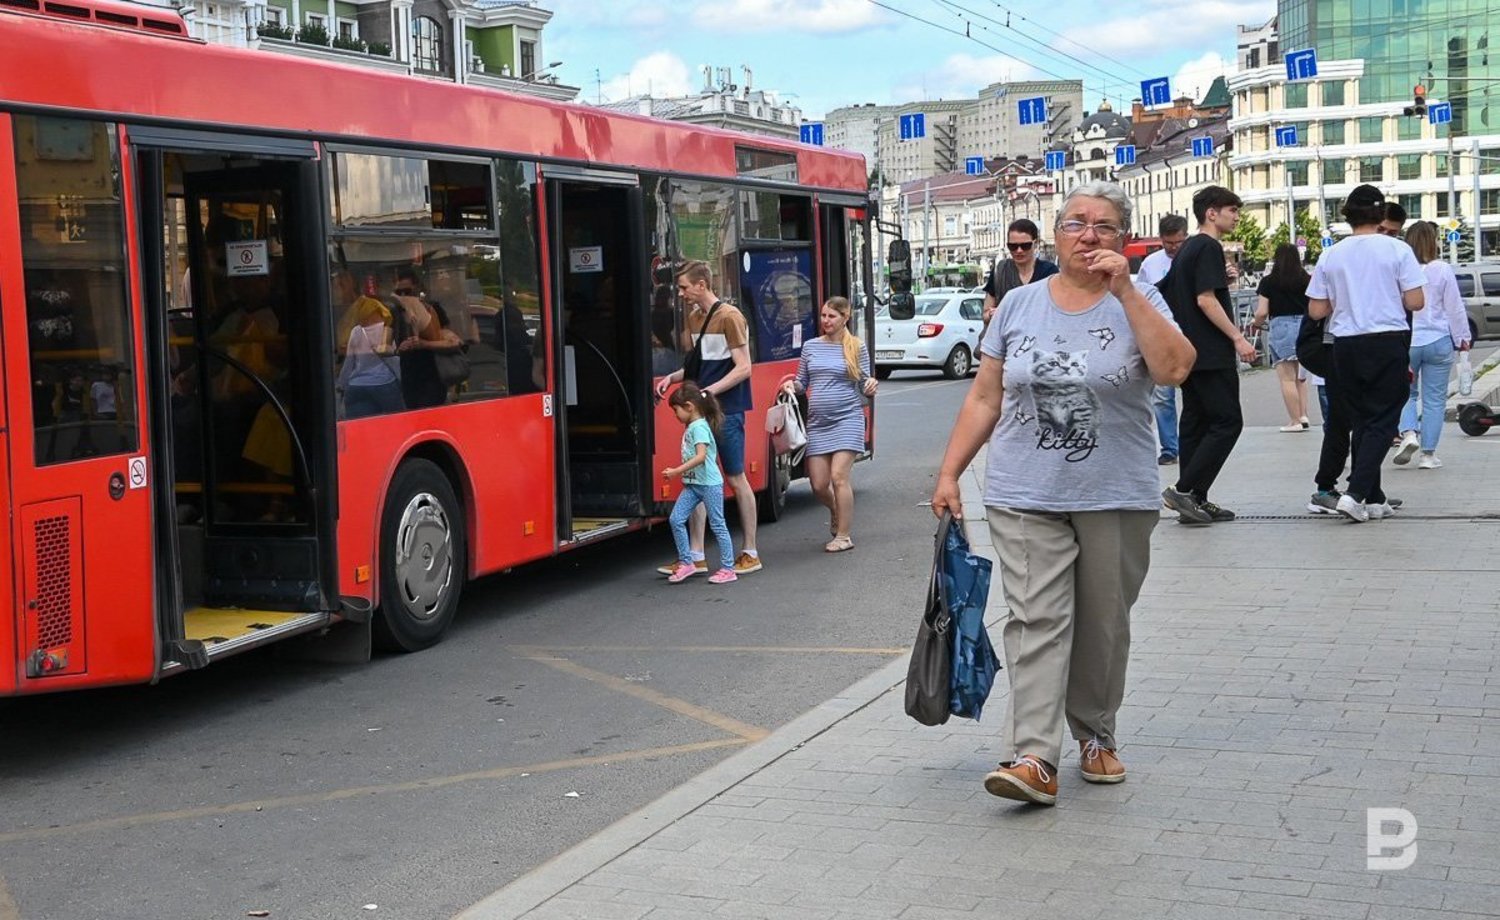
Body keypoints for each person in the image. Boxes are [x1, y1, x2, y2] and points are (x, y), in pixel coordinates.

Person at [930, 181, 1196, 806]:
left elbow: (1175, 369)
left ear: (1123, 239)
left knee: (1103, 625)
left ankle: (1096, 735)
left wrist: (1126, 290)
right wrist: (948, 474)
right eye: (1076, 224)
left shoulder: (1143, 297)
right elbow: (985, 397)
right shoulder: (1019, 305)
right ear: (1057, 235)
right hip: (1025, 490)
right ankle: (1032, 757)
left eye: (1104, 226)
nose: (1089, 236)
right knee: (1037, 619)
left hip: (1115, 494)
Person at [1307, 184, 1426, 523]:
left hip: (1345, 343)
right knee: (1383, 419)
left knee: (1361, 419)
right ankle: (1356, 493)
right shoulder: (1397, 250)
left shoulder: (1331, 253)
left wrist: (1346, 298)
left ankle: (1374, 497)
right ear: (1380, 214)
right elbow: (1416, 301)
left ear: (1348, 216)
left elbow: (1317, 310)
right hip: (1386, 340)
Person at [653, 261, 762, 576]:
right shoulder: (695, 317)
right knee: (698, 479)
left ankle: (750, 551)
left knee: (736, 477)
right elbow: (697, 366)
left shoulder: (730, 317)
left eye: (685, 287)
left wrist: (708, 392)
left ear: (702, 285)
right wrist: (672, 379)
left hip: (725, 410)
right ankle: (696, 555)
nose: (682, 293)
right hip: (702, 410)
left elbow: (744, 367)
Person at [1158, 186, 1256, 526]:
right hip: (1210, 352)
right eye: (1232, 210)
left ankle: (1196, 498)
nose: (1237, 216)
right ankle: (1185, 489)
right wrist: (1238, 338)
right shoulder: (1209, 246)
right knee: (1228, 421)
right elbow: (1206, 299)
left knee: (1196, 423)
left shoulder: (1186, 250)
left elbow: (1165, 292)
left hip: (1188, 351)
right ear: (1211, 213)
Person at [781, 296, 877, 552]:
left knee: (839, 476)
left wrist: (870, 386)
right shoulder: (811, 346)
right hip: (818, 423)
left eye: (831, 316)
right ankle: (836, 509)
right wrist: (792, 384)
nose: (826, 321)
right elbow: (803, 382)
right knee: (819, 484)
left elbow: (864, 383)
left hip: (848, 418)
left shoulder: (856, 347)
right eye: (823, 316)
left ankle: (844, 536)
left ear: (845, 318)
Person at [1393, 221, 1471, 469]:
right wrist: (1462, 338)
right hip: (1438, 340)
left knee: (1405, 393)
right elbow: (1455, 308)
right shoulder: (1442, 269)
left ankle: (1408, 434)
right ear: (1432, 241)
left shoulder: (1400, 269)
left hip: (1407, 341)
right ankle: (1428, 455)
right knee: (1434, 399)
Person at [661, 382, 737, 585]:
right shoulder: (693, 426)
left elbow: (701, 456)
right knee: (676, 519)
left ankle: (728, 568)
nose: (675, 415)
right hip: (694, 484)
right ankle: (687, 562)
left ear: (689, 406)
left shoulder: (699, 427)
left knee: (718, 525)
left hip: (709, 484)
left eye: (676, 410)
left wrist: (677, 471)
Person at [1135, 214, 1189, 464]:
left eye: (1178, 242)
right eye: (1168, 243)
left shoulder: (1193, 258)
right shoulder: (1151, 263)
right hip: (1162, 334)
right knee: (1163, 396)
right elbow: (1141, 297)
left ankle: (1192, 442)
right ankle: (1170, 447)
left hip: (1189, 331)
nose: (1173, 248)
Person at [1251, 243, 1312, 432]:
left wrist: (1256, 323)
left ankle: (1294, 421)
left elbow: (1262, 311)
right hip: (1304, 326)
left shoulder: (1269, 281)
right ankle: (1303, 414)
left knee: (1287, 378)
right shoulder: (1306, 279)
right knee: (1300, 378)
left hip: (1281, 326)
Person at [393, 269, 464, 410]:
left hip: (432, 373)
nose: (403, 296)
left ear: (416, 288)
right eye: (399, 292)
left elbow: (452, 340)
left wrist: (424, 344)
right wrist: (398, 349)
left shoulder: (431, 309)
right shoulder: (397, 312)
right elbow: (387, 345)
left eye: (407, 291)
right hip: (409, 375)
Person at [981, 219, 1059, 325]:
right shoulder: (1000, 270)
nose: (1019, 251)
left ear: (1035, 244)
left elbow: (1057, 312)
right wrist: (992, 314)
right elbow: (985, 314)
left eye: (1025, 246)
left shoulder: (1049, 271)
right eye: (1013, 246)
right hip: (1006, 338)